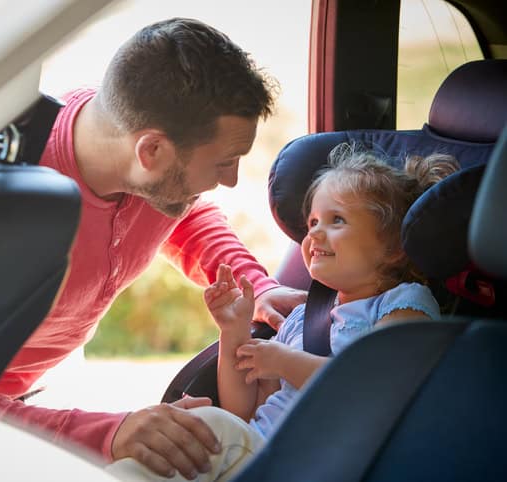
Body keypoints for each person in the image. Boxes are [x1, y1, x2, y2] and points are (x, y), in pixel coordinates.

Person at [0, 17, 307, 479]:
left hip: (23, 402)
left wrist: (252, 282)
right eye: (223, 162)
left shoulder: (150, 174)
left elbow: (182, 213)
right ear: (151, 151)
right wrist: (110, 433)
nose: (231, 180)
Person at [105, 143, 459, 480]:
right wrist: (235, 334)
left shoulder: (403, 303)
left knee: (205, 430)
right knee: (185, 429)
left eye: (337, 220)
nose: (315, 234)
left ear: (395, 247)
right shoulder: (303, 318)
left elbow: (380, 389)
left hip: (314, 461)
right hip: (256, 450)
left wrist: (284, 361)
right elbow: (244, 410)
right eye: (313, 223)